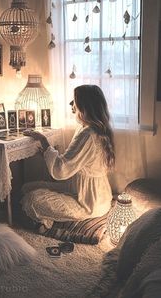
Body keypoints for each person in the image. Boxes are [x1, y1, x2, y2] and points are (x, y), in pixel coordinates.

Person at [21, 84, 115, 233]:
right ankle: (46, 220)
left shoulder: (89, 134)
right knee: (27, 188)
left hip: (87, 202)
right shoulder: (91, 128)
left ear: (85, 106)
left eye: (75, 100)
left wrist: (44, 141)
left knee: (32, 199)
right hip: (80, 190)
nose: (72, 104)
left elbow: (61, 171)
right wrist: (46, 154)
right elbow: (72, 163)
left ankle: (45, 221)